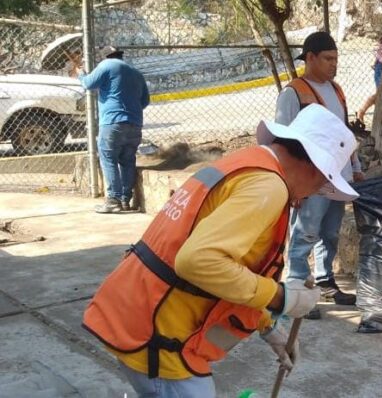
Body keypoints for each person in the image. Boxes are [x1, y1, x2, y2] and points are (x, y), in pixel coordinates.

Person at [82, 104, 359, 398]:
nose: (314, 194)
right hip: (159, 336)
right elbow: (198, 261)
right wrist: (281, 297)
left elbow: (233, 266)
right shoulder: (268, 187)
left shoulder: (247, 164)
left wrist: (268, 327)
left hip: (135, 312)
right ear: (314, 167)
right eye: (323, 183)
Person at [275, 31, 363, 320]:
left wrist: (356, 167)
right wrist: (291, 185)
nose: (333, 64)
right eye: (328, 59)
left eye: (336, 59)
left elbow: (343, 133)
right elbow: (283, 141)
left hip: (337, 176)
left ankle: (325, 282)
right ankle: (297, 290)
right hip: (309, 180)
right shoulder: (293, 93)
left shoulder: (336, 90)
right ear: (310, 58)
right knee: (305, 233)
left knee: (330, 232)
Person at [77, 46, 150, 213]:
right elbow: (145, 101)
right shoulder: (136, 73)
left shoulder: (106, 65)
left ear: (105, 57)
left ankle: (113, 200)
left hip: (112, 122)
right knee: (128, 160)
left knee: (108, 159)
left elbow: (88, 84)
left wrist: (81, 74)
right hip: (135, 124)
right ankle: (125, 200)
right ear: (120, 55)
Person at [356, 25, 382, 123]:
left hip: (380, 66)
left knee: (381, 95)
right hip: (381, 67)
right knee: (380, 93)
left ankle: (378, 116)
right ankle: (362, 111)